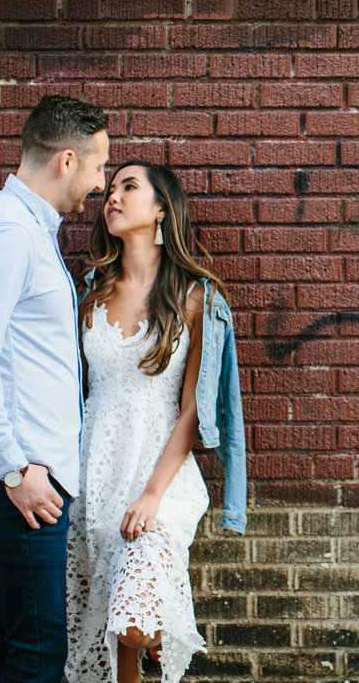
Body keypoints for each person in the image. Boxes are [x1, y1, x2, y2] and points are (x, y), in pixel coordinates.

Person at [0, 95, 110, 683]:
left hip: (27, 480)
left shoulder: (23, 229)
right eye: (98, 166)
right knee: (36, 656)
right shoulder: (8, 233)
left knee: (12, 651)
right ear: (67, 160)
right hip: (21, 484)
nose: (101, 182)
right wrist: (14, 469)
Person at [66, 160, 246, 683]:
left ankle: (155, 635)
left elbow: (194, 410)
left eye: (129, 187)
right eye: (111, 189)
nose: (112, 198)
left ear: (162, 209)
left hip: (160, 480)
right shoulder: (89, 292)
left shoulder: (195, 298)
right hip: (93, 474)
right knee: (107, 628)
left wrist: (150, 495)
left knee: (135, 625)